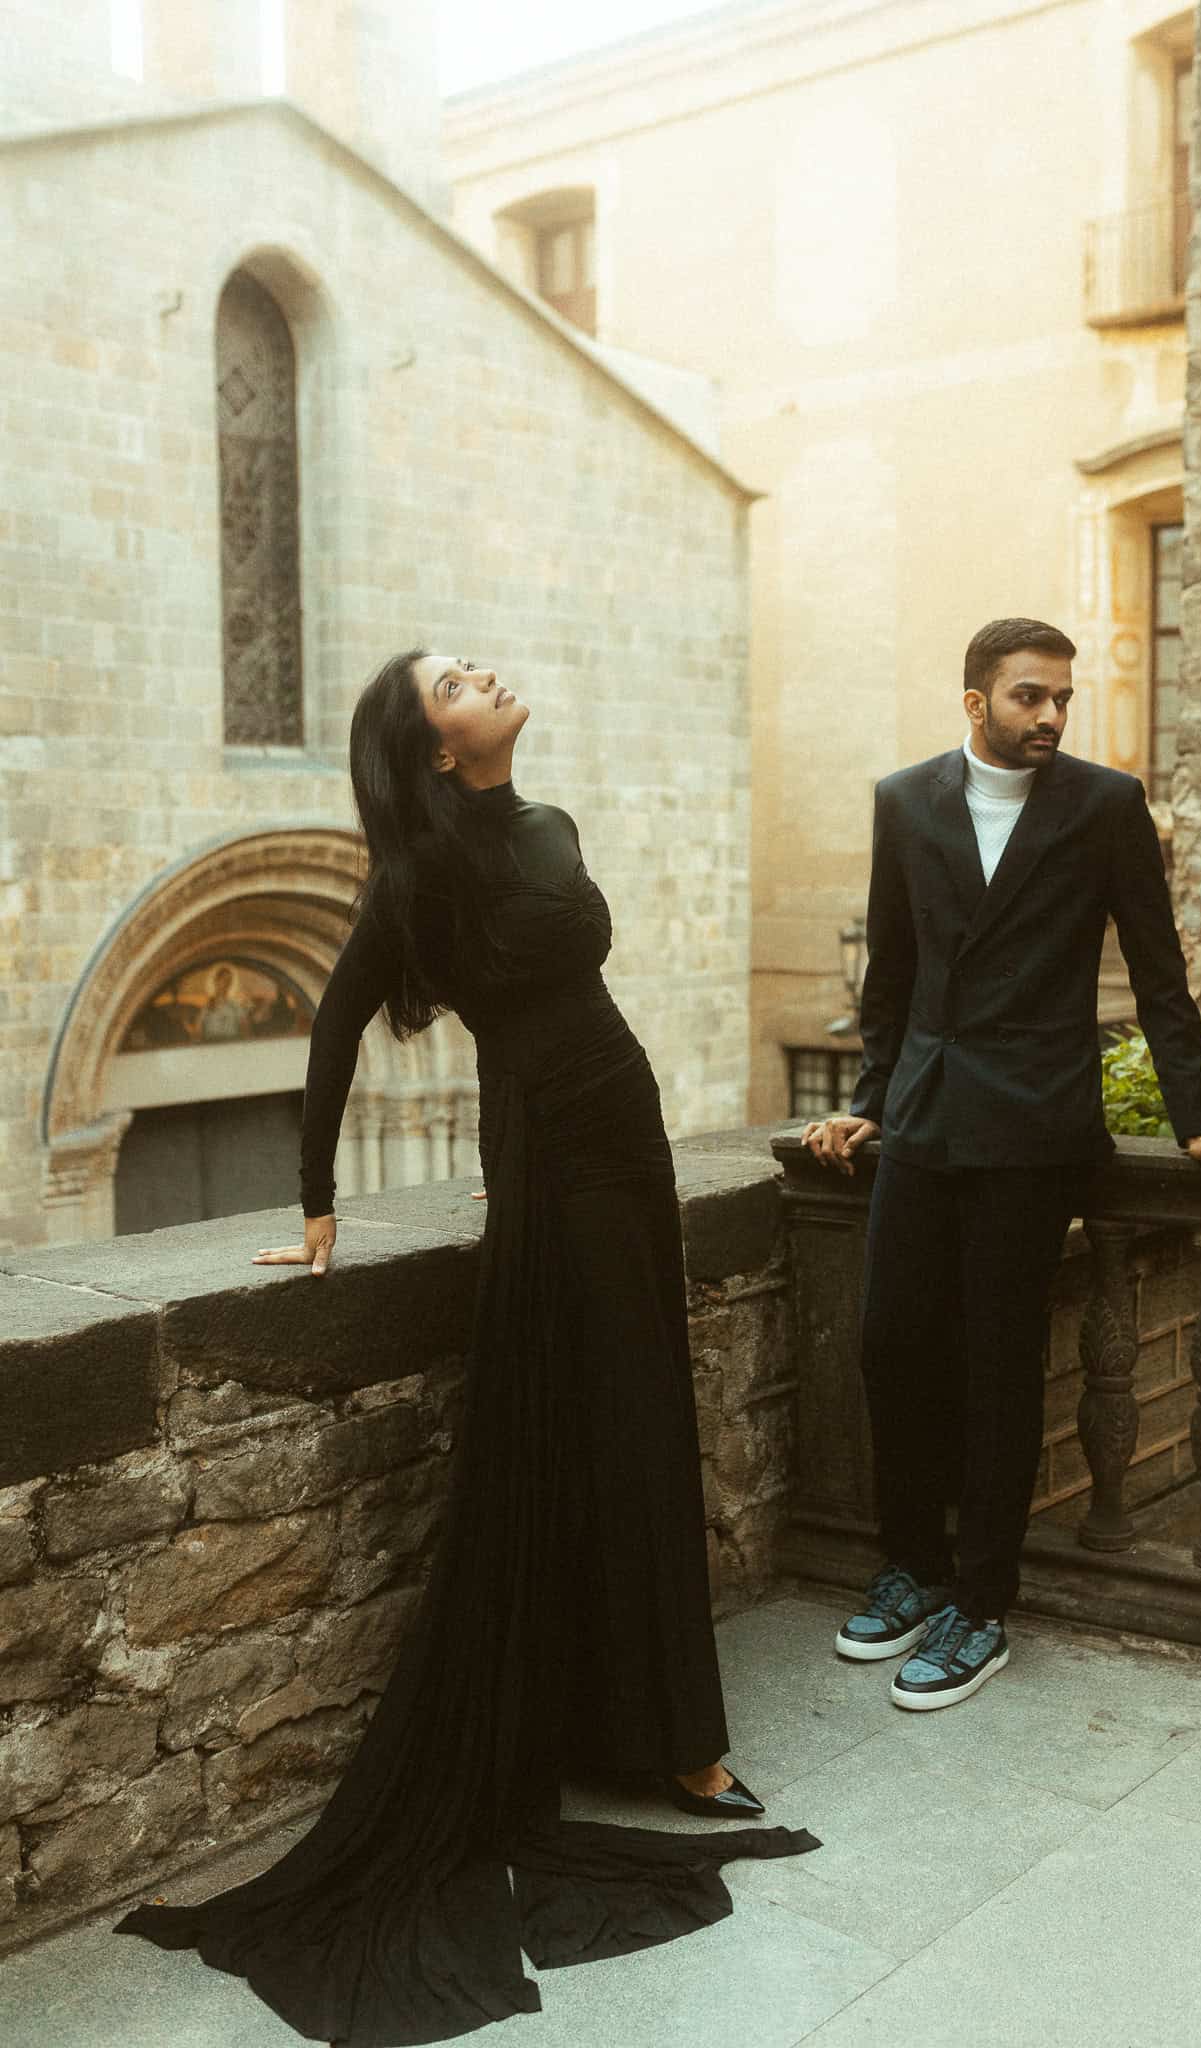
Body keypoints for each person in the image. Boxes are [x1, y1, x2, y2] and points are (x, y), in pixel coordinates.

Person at [117, 650, 816, 2046]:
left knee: (632, 1420)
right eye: (452, 677)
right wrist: (315, 1203)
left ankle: (657, 1731)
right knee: (600, 1426)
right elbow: (331, 1028)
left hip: (617, 1141)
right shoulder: (425, 874)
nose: (483, 671)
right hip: (556, 1157)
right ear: (435, 746)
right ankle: (678, 1749)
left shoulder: (524, 828)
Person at [804, 617, 1201, 1713]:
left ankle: (980, 1603)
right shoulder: (904, 799)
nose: (1051, 716)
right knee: (893, 1342)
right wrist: (864, 1103)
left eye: (1062, 698)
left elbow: (1161, 973)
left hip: (1034, 1127)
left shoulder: (1103, 804)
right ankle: (913, 1565)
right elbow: (890, 976)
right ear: (976, 701)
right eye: (1030, 696)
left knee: (998, 1360)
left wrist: (1194, 1118)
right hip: (926, 1120)